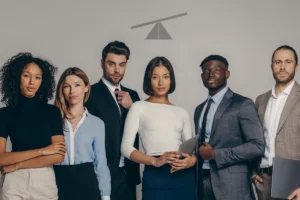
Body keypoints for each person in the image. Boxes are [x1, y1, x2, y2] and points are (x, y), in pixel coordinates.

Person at [121, 56, 197, 200]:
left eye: (166, 77)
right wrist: (155, 161)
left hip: (184, 176)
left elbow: (190, 149)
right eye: (155, 77)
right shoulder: (138, 107)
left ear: (171, 80)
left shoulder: (182, 112)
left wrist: (192, 161)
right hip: (155, 174)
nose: (161, 82)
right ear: (149, 79)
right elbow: (125, 148)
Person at [194, 55, 265, 200]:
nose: (211, 74)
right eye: (206, 71)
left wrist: (216, 155)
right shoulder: (199, 109)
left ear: (227, 74)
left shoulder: (242, 104)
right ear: (202, 76)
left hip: (232, 187)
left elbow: (257, 146)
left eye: (217, 70)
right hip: (202, 182)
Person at [0, 52, 65, 200]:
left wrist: (18, 165)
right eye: (26, 75)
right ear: (17, 77)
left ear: (43, 81)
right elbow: (1, 158)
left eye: (37, 77)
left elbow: (58, 155)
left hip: (43, 179)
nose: (32, 82)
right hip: (14, 180)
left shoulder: (52, 112)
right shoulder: (4, 114)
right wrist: (43, 151)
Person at [85, 41, 140, 200]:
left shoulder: (133, 96)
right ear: (102, 64)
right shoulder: (90, 94)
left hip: (128, 175)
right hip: (101, 175)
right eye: (111, 64)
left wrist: (133, 108)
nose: (117, 70)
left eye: (122, 65)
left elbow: (146, 132)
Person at [54, 67, 111, 200]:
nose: (72, 91)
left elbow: (101, 163)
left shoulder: (97, 124)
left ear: (86, 87)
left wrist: (106, 196)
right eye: (67, 86)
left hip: (87, 183)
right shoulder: (53, 120)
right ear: (62, 90)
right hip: (58, 181)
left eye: (77, 85)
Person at [252, 45, 300, 200]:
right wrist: (253, 173)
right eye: (278, 62)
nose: (283, 66)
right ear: (271, 66)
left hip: (293, 179)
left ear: (296, 66)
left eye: (288, 62)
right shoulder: (261, 100)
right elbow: (254, 139)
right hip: (263, 179)